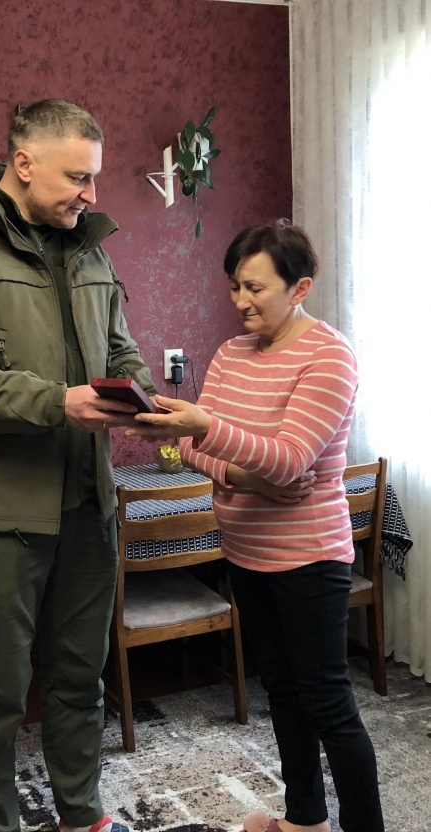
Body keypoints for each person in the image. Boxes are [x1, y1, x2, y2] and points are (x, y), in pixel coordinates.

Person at [0, 99, 156, 832]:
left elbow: (120, 346)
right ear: (23, 163)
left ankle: (84, 816)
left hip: (89, 504)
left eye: (94, 177)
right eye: (78, 177)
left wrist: (140, 393)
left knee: (80, 676)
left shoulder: (91, 247)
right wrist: (56, 402)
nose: (91, 194)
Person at [127, 223, 384, 832]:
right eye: (234, 286)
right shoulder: (231, 354)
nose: (240, 301)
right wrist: (254, 479)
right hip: (245, 552)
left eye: (255, 288)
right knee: (282, 692)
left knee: (328, 702)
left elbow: (289, 459)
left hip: (310, 559)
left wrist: (212, 431)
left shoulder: (330, 356)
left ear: (300, 288)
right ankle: (304, 819)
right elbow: (198, 453)